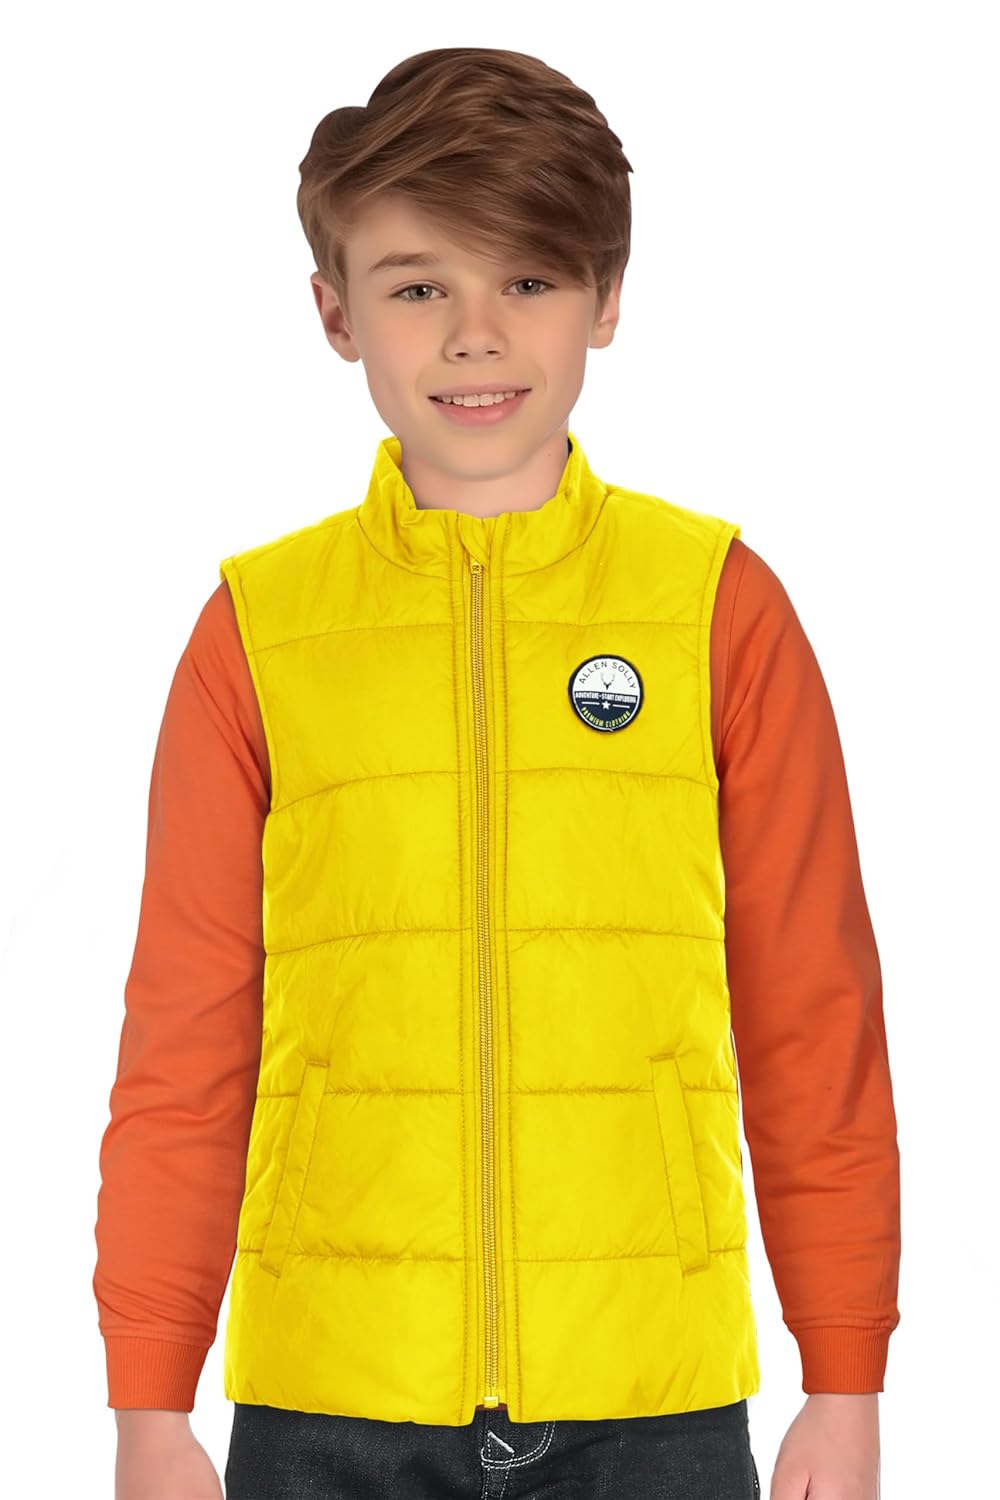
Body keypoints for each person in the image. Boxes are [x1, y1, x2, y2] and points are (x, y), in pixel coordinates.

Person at [93, 46, 901, 1500]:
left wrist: (844, 1380)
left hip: (649, 1402)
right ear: (335, 313)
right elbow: (185, 1043)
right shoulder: (257, 634)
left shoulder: (716, 607)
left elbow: (813, 1016)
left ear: (608, 297)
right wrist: (150, 1401)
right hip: (328, 1404)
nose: (476, 336)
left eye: (528, 279)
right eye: (418, 287)